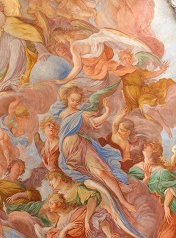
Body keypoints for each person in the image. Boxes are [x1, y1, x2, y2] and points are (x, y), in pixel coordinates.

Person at [56, 85, 135, 215]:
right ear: (67, 98)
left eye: (77, 100)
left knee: (101, 172)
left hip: (83, 148)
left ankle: (123, 201)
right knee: (91, 178)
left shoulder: (81, 114)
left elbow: (95, 122)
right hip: (70, 153)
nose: (74, 102)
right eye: (72, 100)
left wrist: (107, 112)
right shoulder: (62, 114)